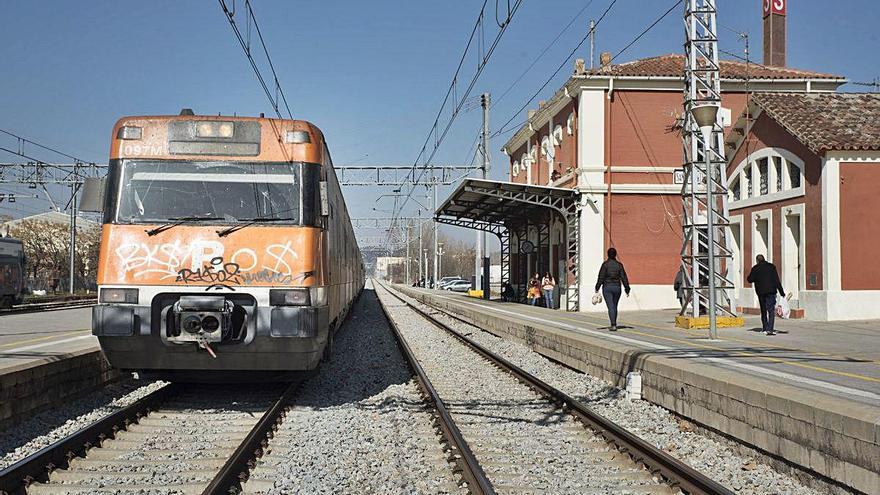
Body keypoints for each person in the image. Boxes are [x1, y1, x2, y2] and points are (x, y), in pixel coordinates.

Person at [747, 254, 785, 335]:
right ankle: (770, 329)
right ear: (764, 259)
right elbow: (776, 280)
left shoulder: (755, 268)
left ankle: (765, 327)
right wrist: (782, 292)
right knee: (771, 310)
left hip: (761, 293)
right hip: (771, 291)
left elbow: (750, 280)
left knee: (763, 310)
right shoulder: (771, 267)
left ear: (757, 260)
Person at [595, 247, 630, 331]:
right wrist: (627, 288)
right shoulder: (619, 265)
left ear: (608, 254)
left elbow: (601, 277)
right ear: (615, 254)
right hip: (617, 287)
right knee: (615, 306)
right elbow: (624, 277)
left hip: (607, 287)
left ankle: (613, 325)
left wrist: (597, 287)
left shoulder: (605, 265)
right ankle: (614, 323)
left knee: (610, 306)